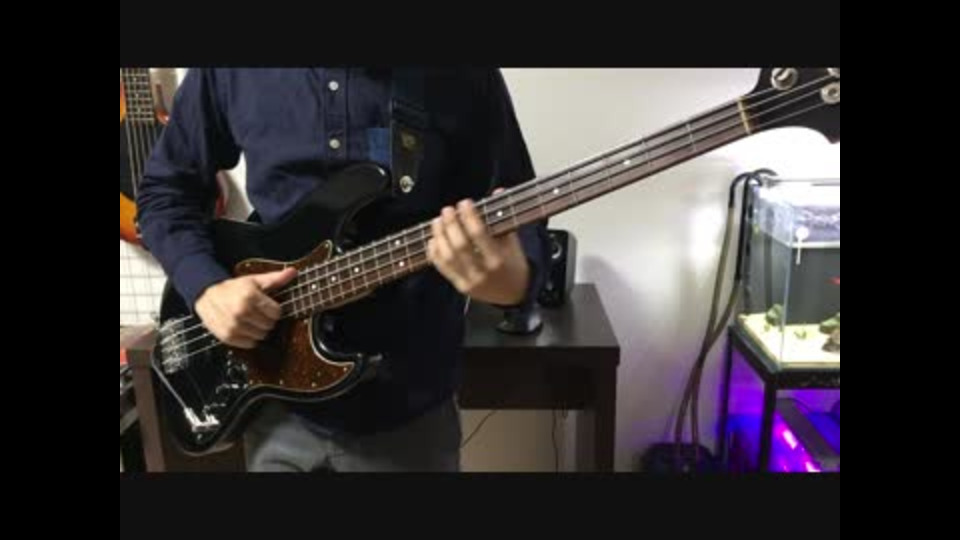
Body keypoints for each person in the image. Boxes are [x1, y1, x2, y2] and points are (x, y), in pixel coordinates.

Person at [137, 68, 549, 472]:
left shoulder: (464, 74)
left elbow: (519, 204)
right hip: (271, 397)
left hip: (409, 411)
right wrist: (206, 287)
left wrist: (515, 283)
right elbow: (165, 193)